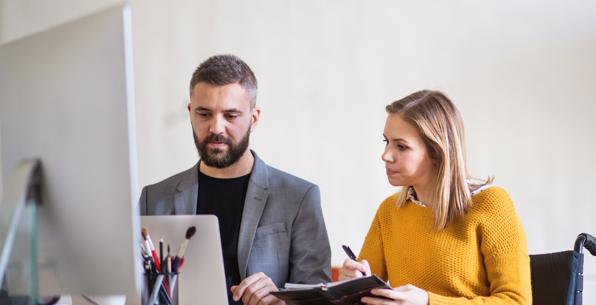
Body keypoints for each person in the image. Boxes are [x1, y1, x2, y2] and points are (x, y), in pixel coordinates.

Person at [139, 54, 331, 305]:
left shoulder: (299, 198)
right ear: (190, 113)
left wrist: (281, 302)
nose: (216, 128)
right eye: (204, 114)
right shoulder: (154, 198)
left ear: (254, 117)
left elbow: (319, 300)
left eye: (230, 116)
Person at [339, 90, 532, 305]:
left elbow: (517, 301)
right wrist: (352, 284)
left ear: (437, 152)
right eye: (387, 142)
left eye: (401, 146)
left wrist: (429, 302)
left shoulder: (491, 204)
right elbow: (369, 297)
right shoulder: (390, 210)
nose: (386, 155)